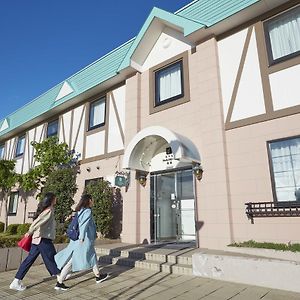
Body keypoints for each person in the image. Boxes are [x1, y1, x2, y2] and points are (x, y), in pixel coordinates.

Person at [54, 194, 108, 290]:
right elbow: (83, 224)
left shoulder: (80, 210)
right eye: (92, 200)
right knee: (72, 261)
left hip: (80, 239)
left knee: (92, 256)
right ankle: (60, 282)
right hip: (84, 240)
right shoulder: (87, 211)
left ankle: (98, 276)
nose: (93, 201)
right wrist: (82, 237)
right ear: (89, 201)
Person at [10, 192, 61, 291]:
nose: (56, 199)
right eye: (55, 198)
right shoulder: (49, 210)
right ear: (51, 200)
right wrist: (30, 231)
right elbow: (38, 221)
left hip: (38, 239)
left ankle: (16, 281)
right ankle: (60, 280)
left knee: (29, 260)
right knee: (52, 258)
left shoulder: (47, 210)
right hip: (42, 239)